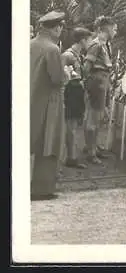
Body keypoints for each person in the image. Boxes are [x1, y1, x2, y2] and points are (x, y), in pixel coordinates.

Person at [30, 11, 68, 201]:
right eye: (60, 27)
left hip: (31, 99)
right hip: (49, 102)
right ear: (56, 27)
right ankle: (42, 189)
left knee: (30, 143)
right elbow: (57, 79)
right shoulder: (52, 49)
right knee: (49, 142)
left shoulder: (31, 44)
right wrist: (67, 74)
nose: (61, 30)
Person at [82, 16, 117, 165]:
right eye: (114, 29)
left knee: (95, 118)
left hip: (102, 81)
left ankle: (93, 147)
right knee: (93, 119)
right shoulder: (96, 45)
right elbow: (86, 67)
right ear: (106, 29)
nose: (116, 31)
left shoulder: (104, 44)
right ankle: (91, 152)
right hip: (97, 82)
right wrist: (89, 85)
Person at [61, 27, 94, 169]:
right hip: (70, 92)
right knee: (70, 126)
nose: (91, 43)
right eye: (89, 40)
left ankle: (71, 155)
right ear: (82, 40)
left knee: (74, 125)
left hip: (77, 92)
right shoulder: (68, 55)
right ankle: (70, 158)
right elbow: (61, 77)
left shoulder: (79, 55)